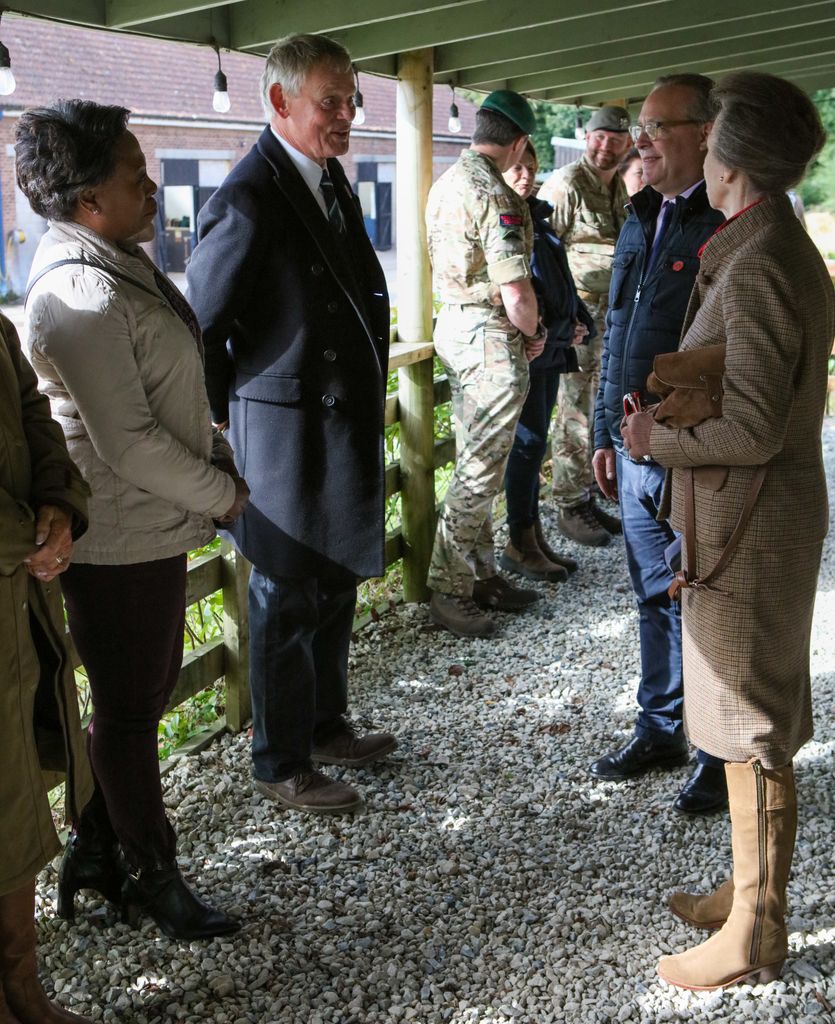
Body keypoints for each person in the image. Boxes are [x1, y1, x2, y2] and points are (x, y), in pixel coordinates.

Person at [620, 70, 832, 992]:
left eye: (707, 145)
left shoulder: (755, 264)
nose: (696, 155)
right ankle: (750, 892)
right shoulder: (764, 242)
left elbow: (751, 430)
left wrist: (650, 437)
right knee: (754, 709)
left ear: (733, 159)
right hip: (756, 518)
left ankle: (755, 928)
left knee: (747, 720)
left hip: (750, 524)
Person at [17, 100, 248, 940]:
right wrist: (221, 492)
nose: (150, 187)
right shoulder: (80, 288)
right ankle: (150, 873)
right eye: (132, 175)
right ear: (86, 201)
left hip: (147, 521)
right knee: (127, 709)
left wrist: (211, 463)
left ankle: (97, 855)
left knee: (135, 699)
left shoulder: (112, 261)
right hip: (117, 533)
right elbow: (128, 442)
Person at [186, 34, 395, 816]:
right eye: (329, 103)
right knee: (283, 596)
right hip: (280, 436)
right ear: (279, 103)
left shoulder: (325, 177)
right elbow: (200, 328)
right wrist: (213, 432)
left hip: (332, 425)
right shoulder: (248, 197)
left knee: (333, 583)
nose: (345, 116)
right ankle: (278, 760)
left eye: (350, 100)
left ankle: (324, 725)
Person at [589, 74, 727, 815]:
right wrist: (604, 430)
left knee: (698, 599)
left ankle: (714, 750)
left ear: (705, 133)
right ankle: (661, 725)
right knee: (651, 597)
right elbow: (617, 332)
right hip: (631, 443)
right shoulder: (640, 212)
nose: (639, 140)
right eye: (637, 126)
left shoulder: (727, 221)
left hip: (689, 451)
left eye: (655, 126)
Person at [425, 90, 545, 639]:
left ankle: (481, 576)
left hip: (454, 325)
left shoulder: (445, 183)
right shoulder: (494, 193)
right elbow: (515, 288)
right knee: (479, 469)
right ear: (518, 142)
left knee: (480, 460)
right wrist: (535, 332)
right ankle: (449, 589)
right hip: (490, 338)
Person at [0, 312, 94, 1023]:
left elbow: (35, 415)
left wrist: (59, 507)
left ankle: (23, 990)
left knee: (17, 794)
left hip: (17, 603)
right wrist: (24, 538)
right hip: (13, 566)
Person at [500, 141, 595, 582]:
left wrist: (580, 320)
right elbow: (515, 295)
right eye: (516, 167)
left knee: (535, 445)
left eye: (531, 167)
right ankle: (520, 542)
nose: (525, 175)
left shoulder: (537, 216)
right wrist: (560, 332)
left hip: (551, 349)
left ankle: (533, 535)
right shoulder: (503, 220)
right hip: (528, 350)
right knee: (524, 447)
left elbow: (560, 282)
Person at [538, 106, 632, 548]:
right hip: (577, 322)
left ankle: (588, 494)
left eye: (615, 138)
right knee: (574, 411)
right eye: (598, 136)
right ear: (587, 136)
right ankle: (568, 503)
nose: (605, 145)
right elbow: (543, 255)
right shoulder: (566, 185)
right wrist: (557, 322)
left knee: (598, 407)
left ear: (627, 143)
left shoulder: (620, 189)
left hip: (609, 320)